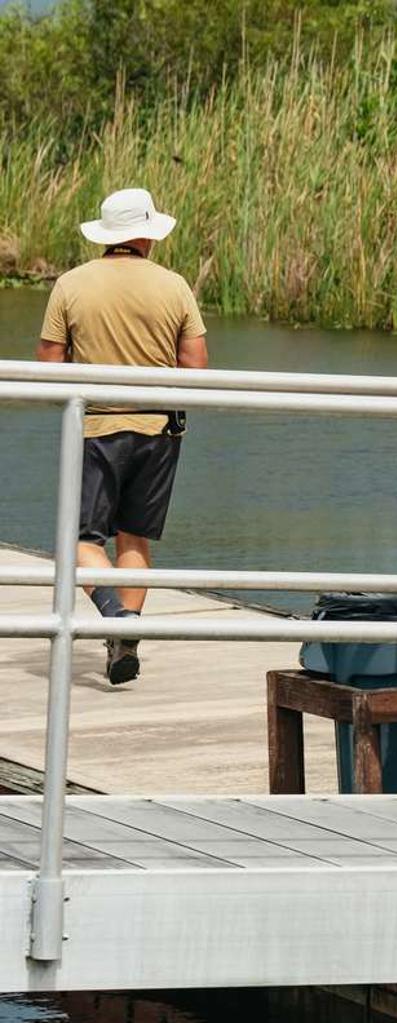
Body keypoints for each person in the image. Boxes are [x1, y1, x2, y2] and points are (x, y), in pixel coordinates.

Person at [35, 188, 208, 687]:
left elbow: (48, 364)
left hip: (94, 427)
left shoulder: (71, 284)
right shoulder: (174, 286)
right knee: (134, 537)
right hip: (158, 428)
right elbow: (195, 366)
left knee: (80, 538)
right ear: (145, 234)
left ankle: (113, 614)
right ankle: (124, 635)